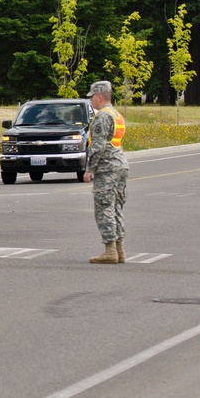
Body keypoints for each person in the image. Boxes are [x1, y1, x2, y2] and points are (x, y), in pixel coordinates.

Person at [85, 80, 128, 264]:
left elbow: (98, 146)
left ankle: (110, 250)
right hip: (119, 164)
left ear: (99, 96)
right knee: (116, 207)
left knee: (104, 208)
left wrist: (89, 169)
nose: (90, 101)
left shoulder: (102, 116)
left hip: (107, 167)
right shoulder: (116, 114)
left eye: (92, 97)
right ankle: (119, 250)